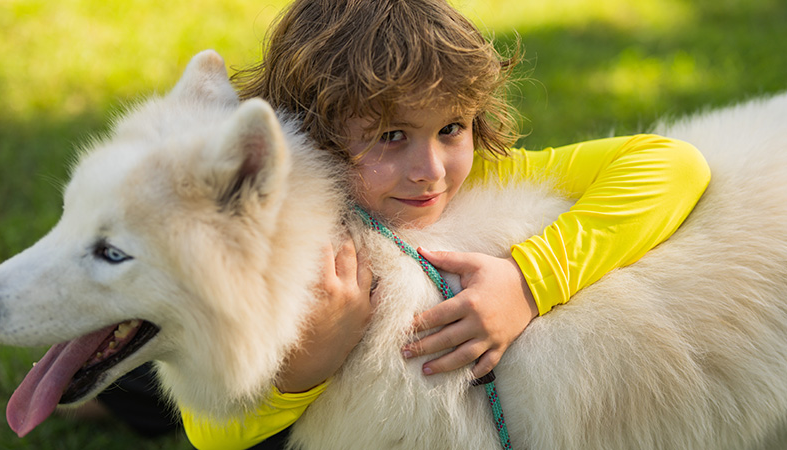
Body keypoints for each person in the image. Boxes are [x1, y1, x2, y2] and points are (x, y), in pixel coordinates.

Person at [176, 0, 711, 448]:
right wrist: (304, 368)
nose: (430, 172)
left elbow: (672, 165)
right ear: (313, 131)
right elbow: (208, 432)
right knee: (138, 392)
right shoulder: (291, 231)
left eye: (451, 128)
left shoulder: (488, 177)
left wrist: (528, 281)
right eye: (391, 136)